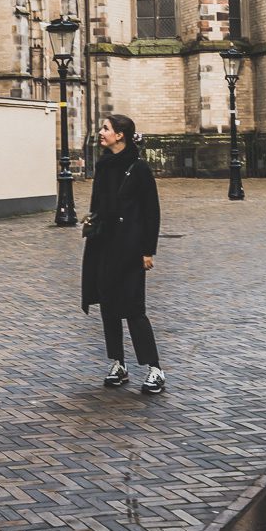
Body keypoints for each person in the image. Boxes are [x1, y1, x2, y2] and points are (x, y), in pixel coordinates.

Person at [81, 113, 165, 394]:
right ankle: (118, 363)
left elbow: (151, 213)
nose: (100, 132)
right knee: (108, 307)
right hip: (104, 245)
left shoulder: (139, 168)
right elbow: (99, 204)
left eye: (105, 128)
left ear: (120, 135)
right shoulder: (104, 166)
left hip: (130, 248)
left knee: (133, 308)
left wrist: (147, 251)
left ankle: (154, 368)